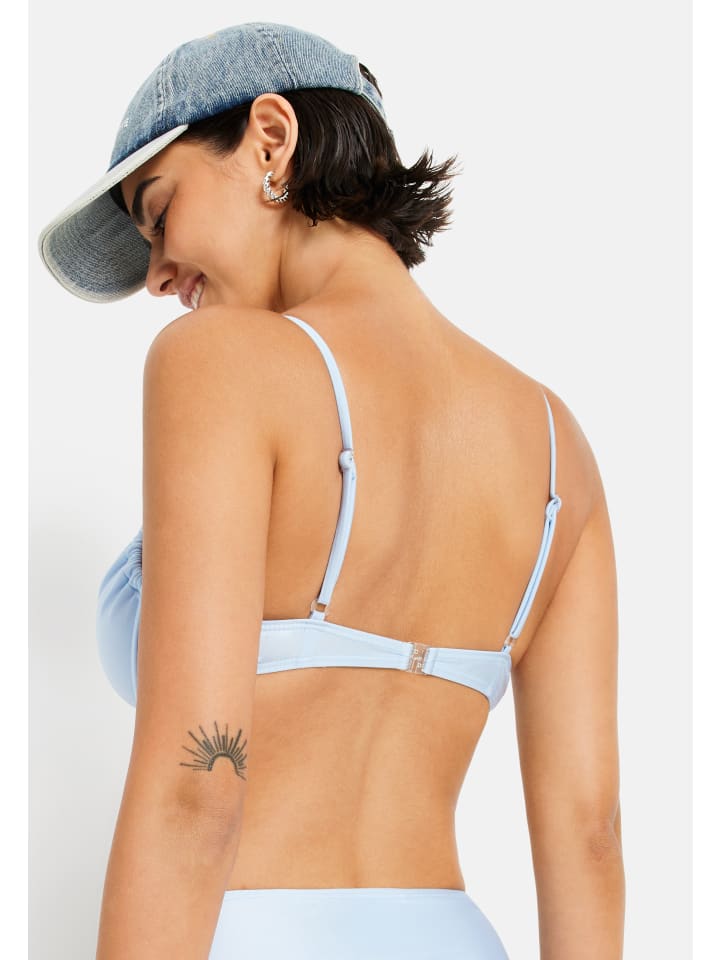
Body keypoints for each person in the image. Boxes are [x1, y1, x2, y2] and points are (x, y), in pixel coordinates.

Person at [37, 21, 624, 960]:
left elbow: (196, 794)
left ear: (270, 139)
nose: (156, 275)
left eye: (159, 210)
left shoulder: (220, 365)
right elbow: (589, 836)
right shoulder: (559, 445)